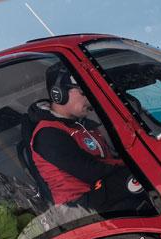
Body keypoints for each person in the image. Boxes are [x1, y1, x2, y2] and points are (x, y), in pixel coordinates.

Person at [27, 63, 153, 217]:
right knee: (144, 176)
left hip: (99, 191)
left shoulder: (84, 127)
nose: (90, 98)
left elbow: (108, 161)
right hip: (78, 205)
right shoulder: (48, 134)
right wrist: (133, 167)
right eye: (83, 92)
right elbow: (89, 171)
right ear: (58, 93)